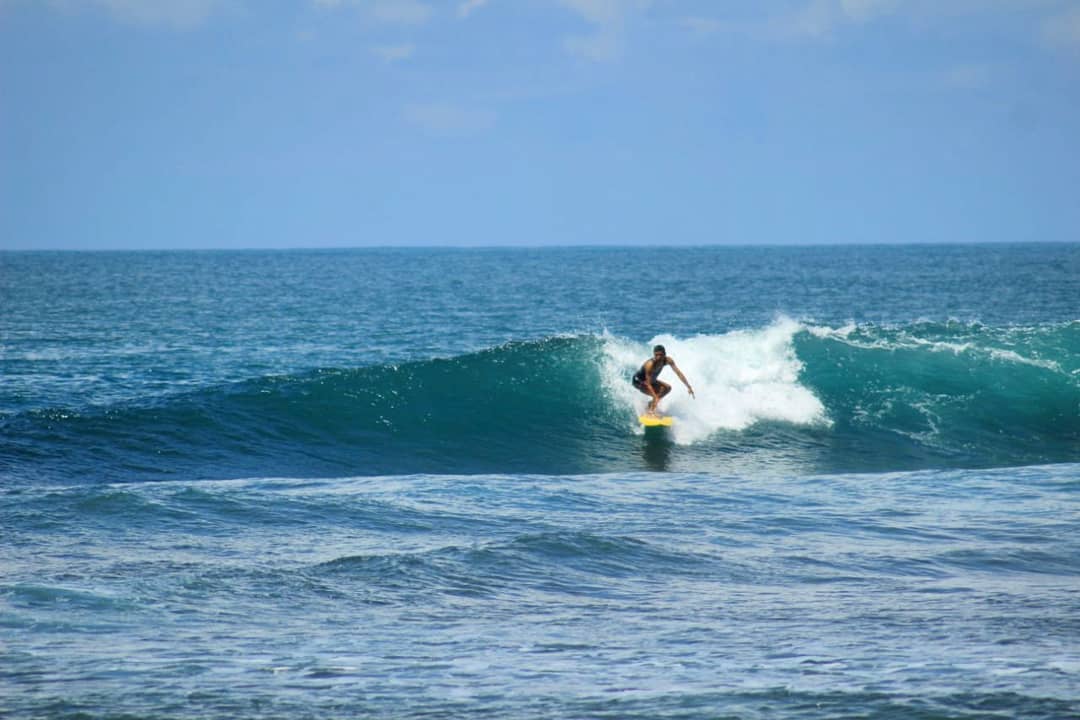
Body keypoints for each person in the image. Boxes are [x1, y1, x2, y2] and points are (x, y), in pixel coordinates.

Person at [633, 344, 694, 415]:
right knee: (656, 395)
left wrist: (688, 386)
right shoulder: (650, 365)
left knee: (667, 388)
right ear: (654, 354)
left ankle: (650, 405)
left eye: (660, 355)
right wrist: (655, 397)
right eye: (656, 355)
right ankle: (650, 411)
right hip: (639, 381)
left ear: (665, 354)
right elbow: (648, 384)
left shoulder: (668, 360)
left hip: (651, 380)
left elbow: (678, 373)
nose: (658, 357)